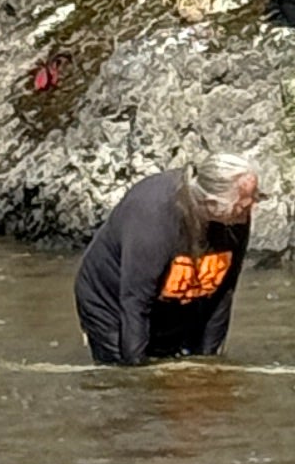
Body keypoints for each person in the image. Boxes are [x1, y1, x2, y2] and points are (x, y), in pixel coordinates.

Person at [75, 154, 259, 366]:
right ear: (211, 203)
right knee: (129, 378)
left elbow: (223, 292)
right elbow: (135, 301)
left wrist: (209, 363)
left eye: (255, 198)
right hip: (112, 302)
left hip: (179, 299)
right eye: (243, 205)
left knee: (191, 376)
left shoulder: (234, 214)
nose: (251, 210)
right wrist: (135, 370)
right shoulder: (154, 217)